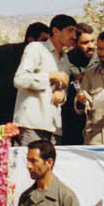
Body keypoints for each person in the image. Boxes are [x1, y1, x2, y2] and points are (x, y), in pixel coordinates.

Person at [13, 14, 78, 145]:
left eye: (75, 32)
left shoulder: (65, 59)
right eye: (70, 31)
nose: (74, 36)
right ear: (55, 31)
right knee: (31, 159)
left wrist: (62, 96)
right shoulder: (36, 48)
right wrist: (49, 76)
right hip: (32, 125)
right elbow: (19, 79)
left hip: (54, 127)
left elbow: (62, 90)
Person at [0, 22, 49, 129]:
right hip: (2, 114)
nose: (47, 45)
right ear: (31, 40)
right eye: (44, 41)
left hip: (28, 118)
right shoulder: (5, 52)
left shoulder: (45, 60)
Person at [61, 23, 98, 145]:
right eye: (85, 43)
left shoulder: (101, 59)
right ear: (75, 43)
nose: (91, 46)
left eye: (92, 41)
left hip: (96, 121)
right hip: (71, 123)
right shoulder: (66, 61)